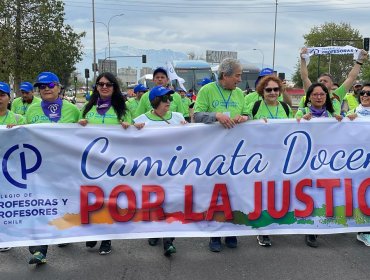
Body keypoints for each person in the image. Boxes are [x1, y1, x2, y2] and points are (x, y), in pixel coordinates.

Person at [194, 58, 249, 252]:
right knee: (215, 193)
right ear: (225, 75)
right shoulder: (206, 90)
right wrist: (216, 115)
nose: (240, 80)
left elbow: (248, 114)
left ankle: (231, 231)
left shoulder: (240, 94)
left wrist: (245, 117)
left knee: (234, 191)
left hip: (235, 154)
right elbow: (196, 116)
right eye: (237, 75)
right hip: (212, 153)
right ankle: (215, 235)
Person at [25, 71, 80, 265]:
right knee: (41, 208)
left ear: (58, 87)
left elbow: (86, 135)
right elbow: (23, 137)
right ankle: (40, 250)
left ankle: (64, 232)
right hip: (39, 170)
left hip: (65, 169)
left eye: (50, 85)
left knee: (63, 205)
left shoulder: (72, 110)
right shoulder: (31, 110)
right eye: (41, 86)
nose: (46, 89)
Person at [134, 85, 186, 256]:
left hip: (173, 170)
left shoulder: (178, 117)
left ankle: (168, 240)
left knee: (171, 202)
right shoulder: (142, 119)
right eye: (165, 99)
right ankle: (155, 231)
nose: (169, 102)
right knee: (155, 203)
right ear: (155, 101)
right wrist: (134, 129)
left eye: (170, 99)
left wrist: (188, 128)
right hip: (151, 171)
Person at [295, 82, 342, 247]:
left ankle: (318, 226)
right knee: (310, 193)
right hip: (306, 161)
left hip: (326, 161)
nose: (319, 97)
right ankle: (310, 231)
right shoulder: (302, 112)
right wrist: (300, 121)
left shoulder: (332, 115)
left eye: (322, 94)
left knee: (322, 194)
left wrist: (347, 120)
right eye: (315, 94)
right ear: (309, 97)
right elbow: (291, 128)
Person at [299, 47, 368, 115]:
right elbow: (305, 77)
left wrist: (359, 61)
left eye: (325, 81)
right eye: (320, 81)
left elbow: (351, 78)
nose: (322, 82)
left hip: (334, 126)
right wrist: (303, 59)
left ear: (331, 84)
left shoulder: (337, 95)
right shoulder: (311, 91)